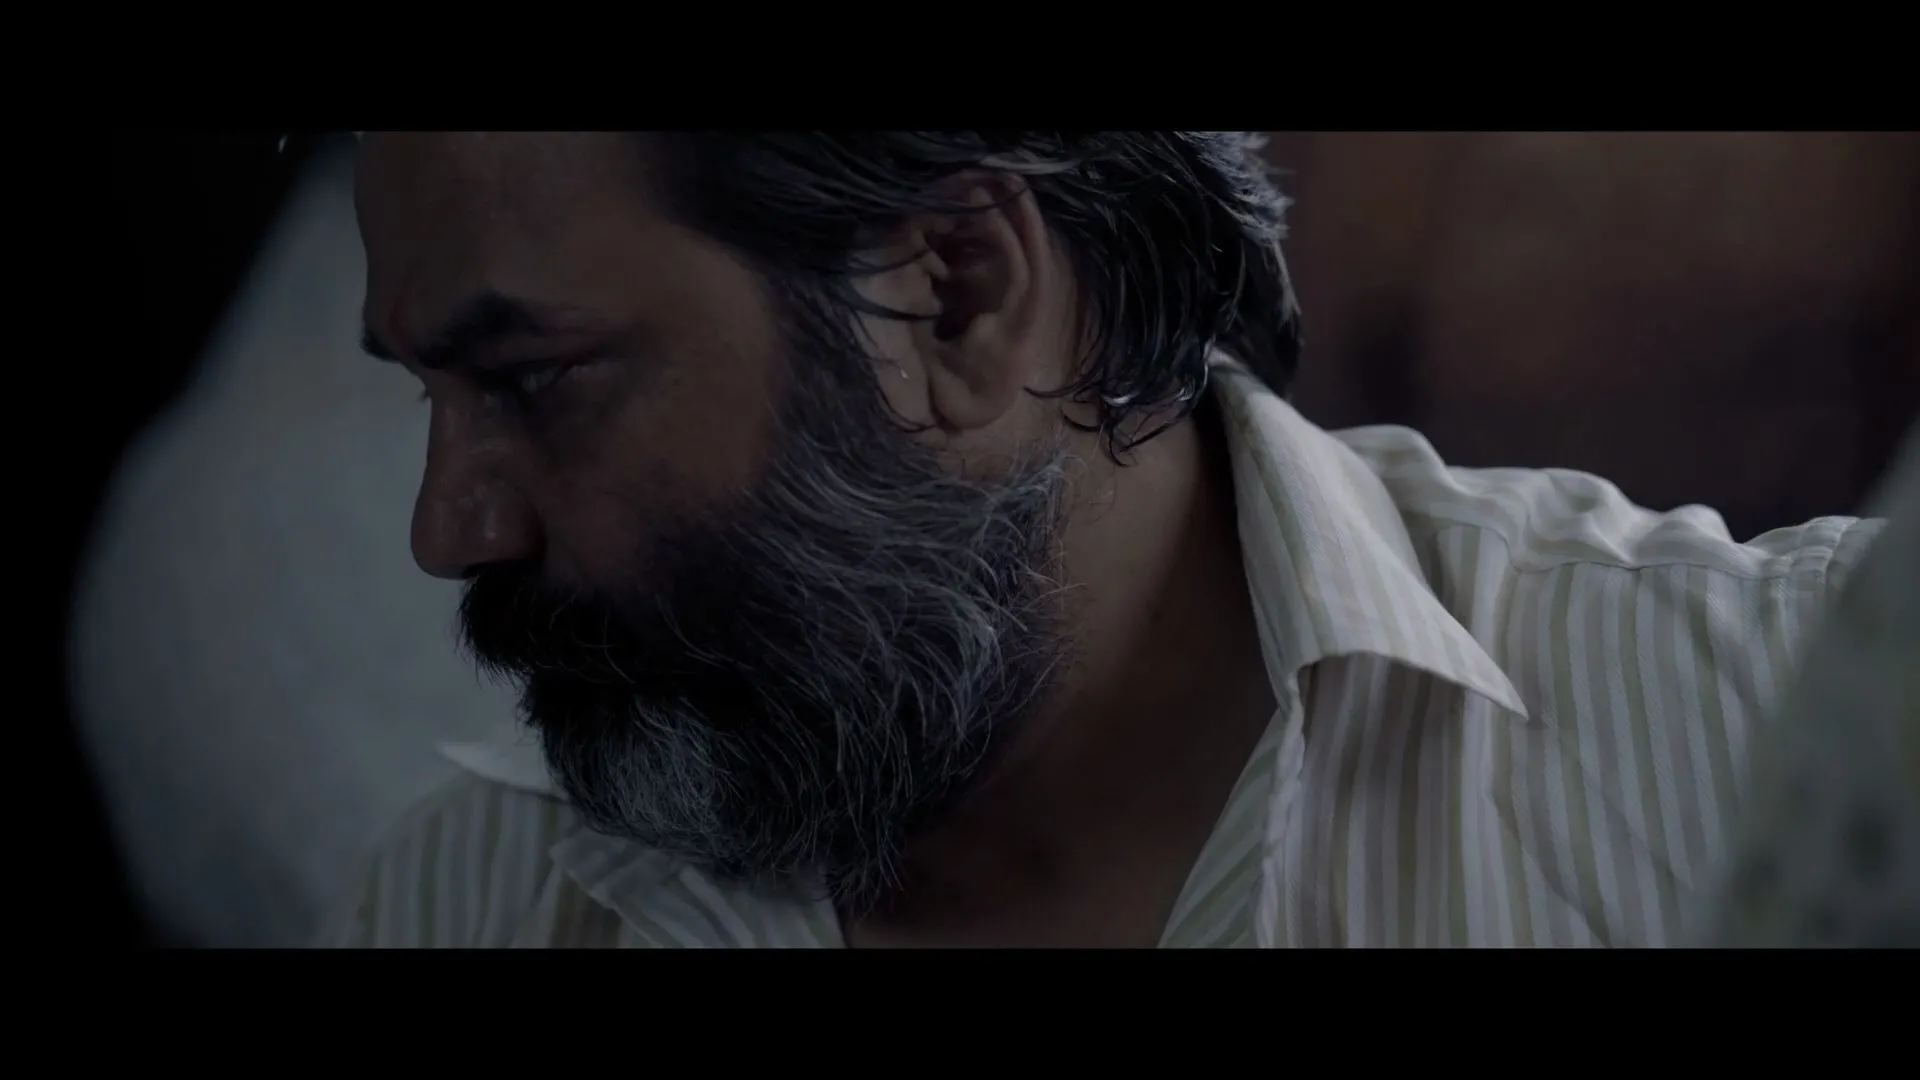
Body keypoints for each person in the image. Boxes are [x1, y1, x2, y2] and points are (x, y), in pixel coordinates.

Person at [326, 132, 1885, 948]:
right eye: (428, 396)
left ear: (954, 294)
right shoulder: (463, 907)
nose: (449, 528)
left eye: (532, 381)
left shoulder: (1778, 727)